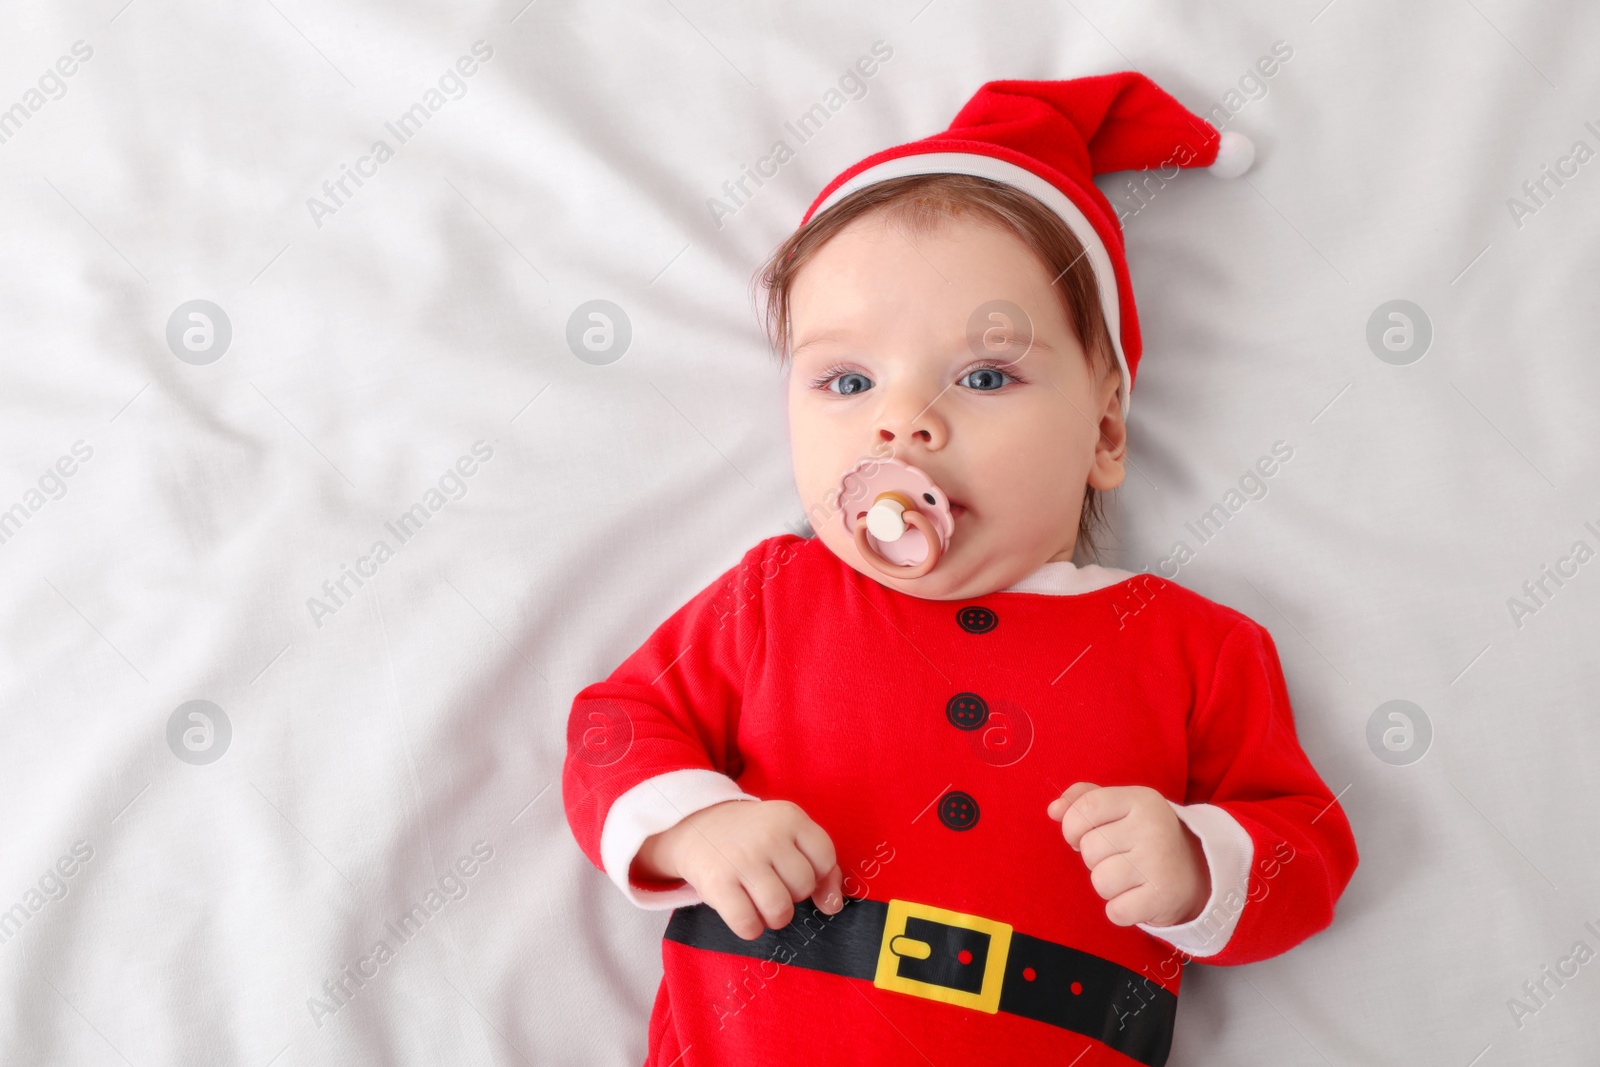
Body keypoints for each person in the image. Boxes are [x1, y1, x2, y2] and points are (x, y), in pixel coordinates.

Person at [563, 72, 1358, 1066]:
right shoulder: (773, 598)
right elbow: (610, 726)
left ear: (1105, 430)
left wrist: (1199, 864)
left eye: (985, 375)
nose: (903, 423)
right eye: (846, 380)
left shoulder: (1191, 645)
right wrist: (695, 825)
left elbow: (1310, 848)